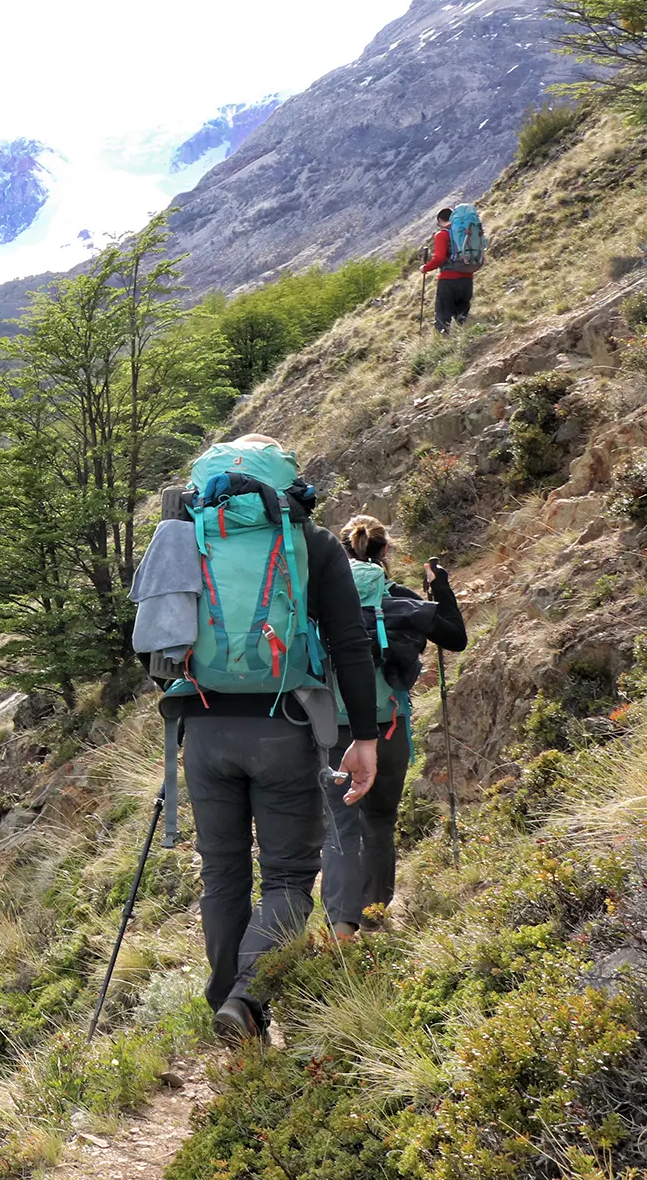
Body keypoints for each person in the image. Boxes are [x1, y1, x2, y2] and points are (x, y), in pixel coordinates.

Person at [171, 435, 385, 1044]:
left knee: (222, 875)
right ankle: (245, 999)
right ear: (284, 482)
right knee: (288, 878)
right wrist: (364, 738)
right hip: (285, 729)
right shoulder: (312, 544)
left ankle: (229, 1010)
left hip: (205, 728)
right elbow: (350, 645)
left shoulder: (188, 536)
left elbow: (153, 635)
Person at [320, 514, 467, 937]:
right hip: (388, 725)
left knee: (340, 821)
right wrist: (439, 588)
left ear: (342, 553)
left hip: (332, 727)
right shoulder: (399, 598)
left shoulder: (323, 599)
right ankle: (375, 920)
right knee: (380, 820)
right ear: (385, 552)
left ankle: (340, 927)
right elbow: (455, 638)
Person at [420, 207, 475, 332]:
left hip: (448, 280)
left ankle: (441, 344)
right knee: (462, 315)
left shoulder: (442, 235)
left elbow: (439, 258)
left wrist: (425, 268)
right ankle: (467, 339)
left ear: (440, 220)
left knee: (443, 316)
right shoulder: (464, 232)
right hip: (467, 278)